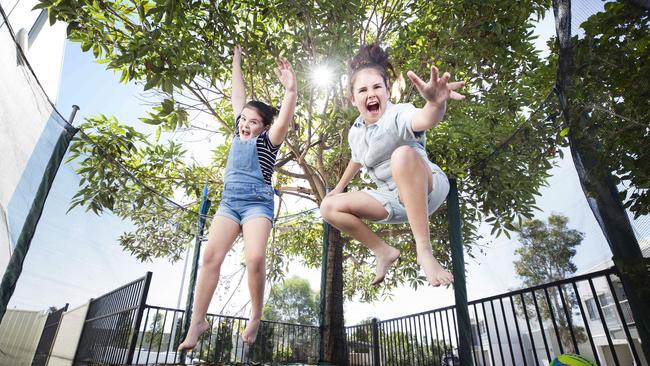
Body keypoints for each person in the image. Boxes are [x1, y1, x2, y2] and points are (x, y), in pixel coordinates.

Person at [178, 45, 297, 350]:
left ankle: (256, 315)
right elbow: (237, 96)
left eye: (253, 121)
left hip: (257, 202)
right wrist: (236, 61)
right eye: (243, 119)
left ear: (264, 127)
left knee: (255, 258)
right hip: (229, 202)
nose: (245, 124)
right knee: (210, 258)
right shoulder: (237, 132)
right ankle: (197, 322)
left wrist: (290, 90)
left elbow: (283, 118)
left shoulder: (269, 141)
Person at [320, 44, 464, 287]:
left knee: (401, 155)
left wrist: (436, 104)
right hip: (392, 200)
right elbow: (357, 158)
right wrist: (338, 188)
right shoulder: (355, 132)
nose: (371, 94)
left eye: (377, 87)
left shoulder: (399, 113)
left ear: (387, 92)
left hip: (426, 187)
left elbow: (424, 119)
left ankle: (425, 251)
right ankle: (383, 251)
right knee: (328, 207)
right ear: (353, 99)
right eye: (363, 90)